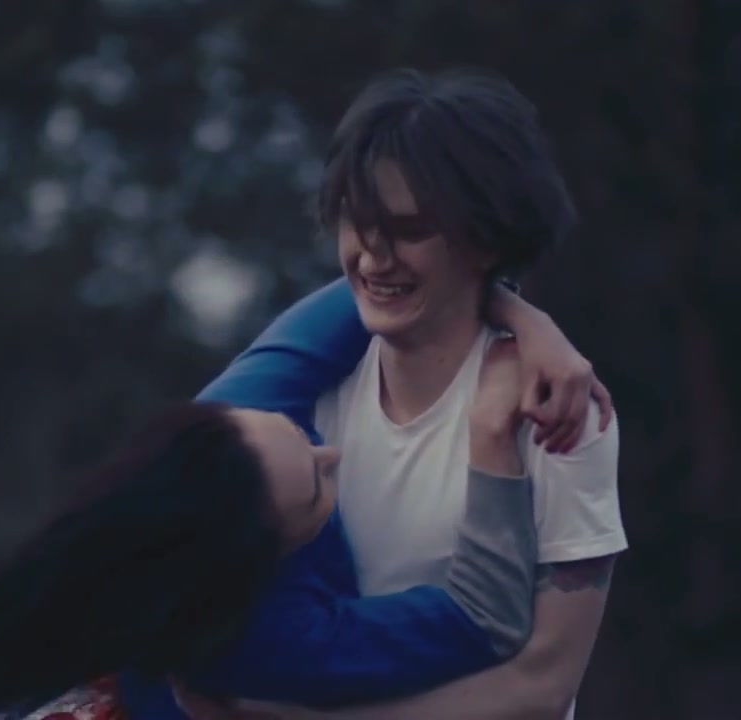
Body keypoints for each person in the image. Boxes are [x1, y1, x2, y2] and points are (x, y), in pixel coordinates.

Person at [0, 279, 603, 719]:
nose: (333, 454)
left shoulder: (232, 428)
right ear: (264, 556)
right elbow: (485, 617)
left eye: (301, 436)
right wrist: (489, 435)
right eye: (316, 485)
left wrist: (530, 323)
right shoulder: (270, 639)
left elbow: (376, 289)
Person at [171, 67, 627, 719]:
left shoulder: (557, 413)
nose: (372, 258)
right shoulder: (302, 400)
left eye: (410, 230)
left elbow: (542, 686)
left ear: (486, 238)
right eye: (357, 222)